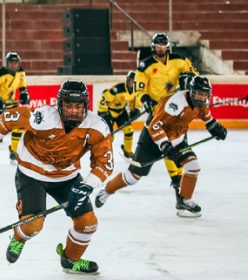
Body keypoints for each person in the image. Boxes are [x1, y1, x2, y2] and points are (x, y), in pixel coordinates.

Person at [0, 81, 112, 274]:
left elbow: (104, 163)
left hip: (66, 177)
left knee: (88, 223)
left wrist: (88, 185)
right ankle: (19, 238)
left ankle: (70, 260)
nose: (72, 111)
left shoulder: (97, 127)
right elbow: (12, 117)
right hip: (32, 173)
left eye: (78, 107)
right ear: (59, 104)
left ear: (85, 106)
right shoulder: (44, 117)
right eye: (68, 106)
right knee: (32, 226)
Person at [95, 76, 227, 218]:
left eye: (205, 94)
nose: (202, 98)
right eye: (199, 93)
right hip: (152, 138)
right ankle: (107, 189)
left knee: (193, 166)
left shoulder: (201, 103)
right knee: (133, 176)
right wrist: (165, 145)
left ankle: (184, 201)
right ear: (192, 91)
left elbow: (207, 117)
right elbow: (154, 126)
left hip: (176, 138)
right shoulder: (175, 103)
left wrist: (215, 127)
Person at [135, 32, 199, 204]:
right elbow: (139, 88)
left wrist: (190, 79)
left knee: (175, 149)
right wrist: (144, 99)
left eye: (164, 45)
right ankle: (136, 169)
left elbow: (195, 75)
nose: (161, 48)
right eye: (158, 45)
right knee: (157, 150)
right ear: (153, 47)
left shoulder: (180, 60)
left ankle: (178, 185)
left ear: (168, 46)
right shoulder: (145, 65)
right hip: (158, 112)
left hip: (176, 111)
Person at [97, 70, 139, 158]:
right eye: (130, 81)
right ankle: (105, 153)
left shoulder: (136, 90)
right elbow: (104, 99)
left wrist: (134, 110)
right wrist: (103, 112)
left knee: (129, 130)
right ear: (127, 80)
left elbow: (133, 100)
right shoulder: (117, 89)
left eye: (133, 81)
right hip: (108, 112)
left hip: (121, 112)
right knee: (110, 135)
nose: (131, 83)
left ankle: (128, 151)